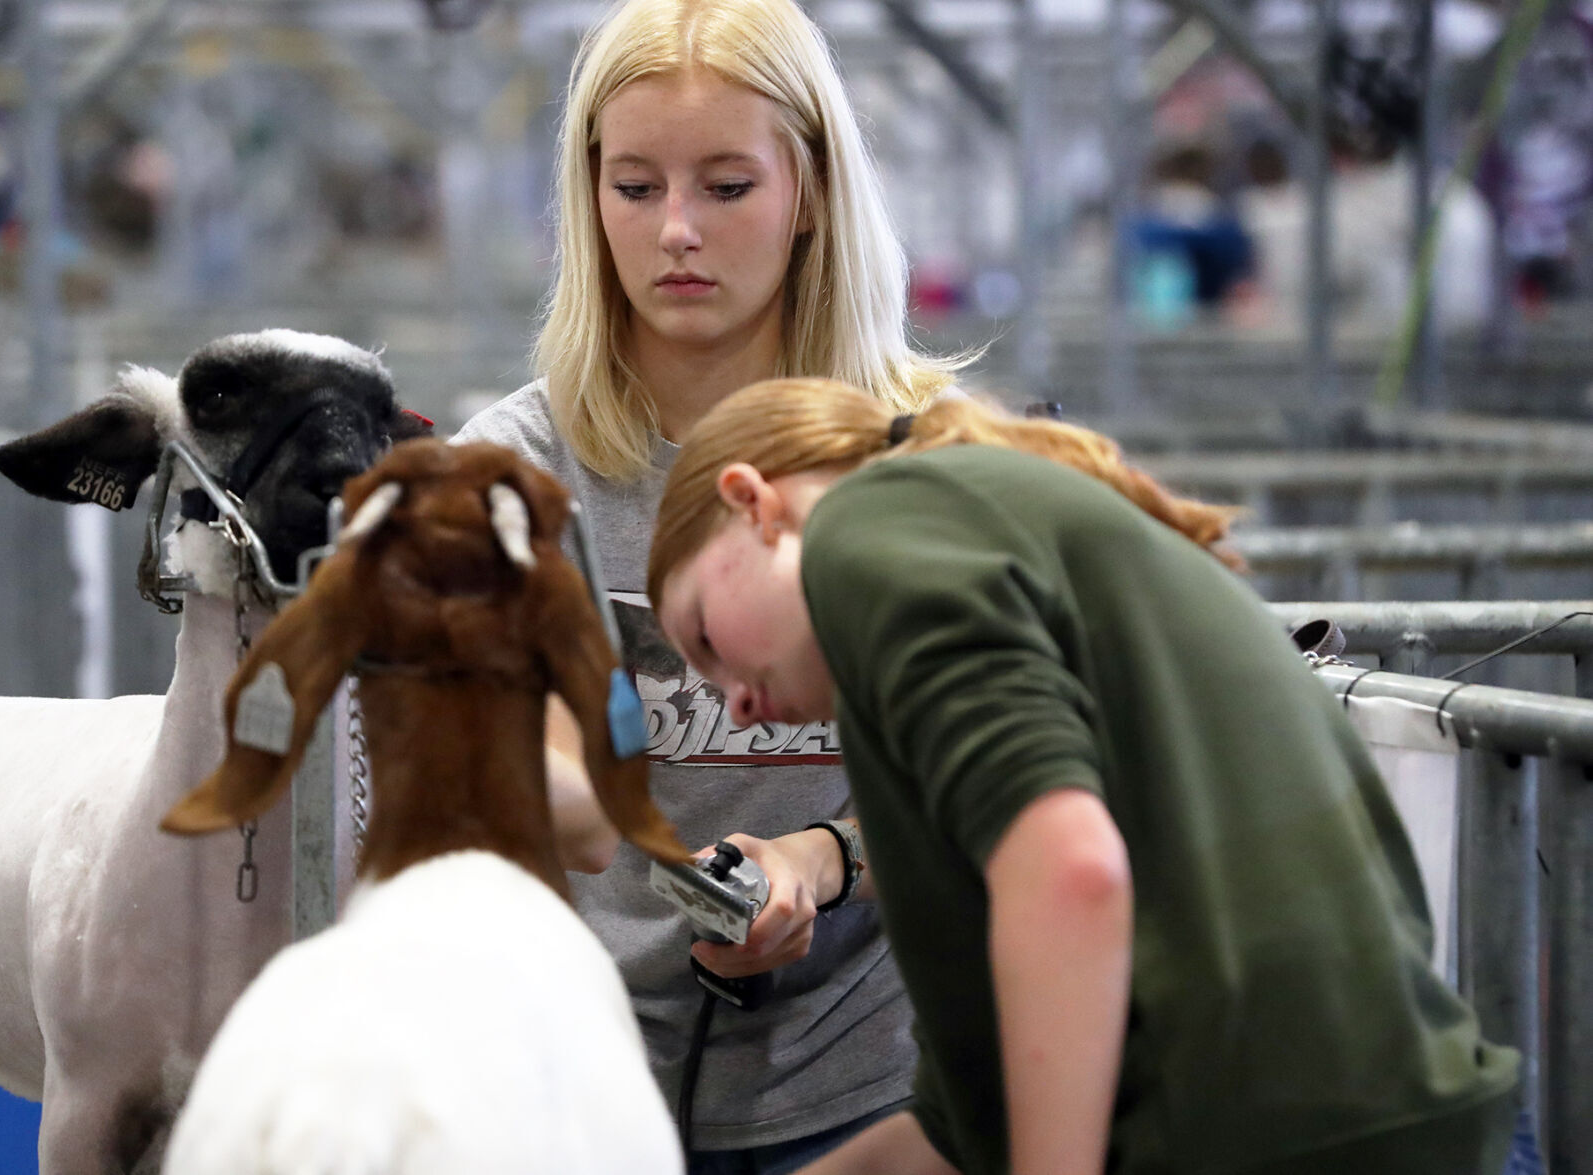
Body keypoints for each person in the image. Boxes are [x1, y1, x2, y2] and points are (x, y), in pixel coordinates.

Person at [644, 377, 1522, 1175]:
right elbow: (952, 1138)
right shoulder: (961, 550)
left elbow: (1069, 873)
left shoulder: (869, 531)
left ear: (752, 505)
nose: (737, 704)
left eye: (707, 641)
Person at [450, 0, 963, 1168]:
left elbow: (981, 775)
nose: (675, 229)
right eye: (634, 188)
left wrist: (815, 864)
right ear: (588, 199)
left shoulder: (922, 451)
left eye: (725, 188)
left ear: (809, 192)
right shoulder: (511, 469)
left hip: (877, 1081)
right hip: (570, 1087)